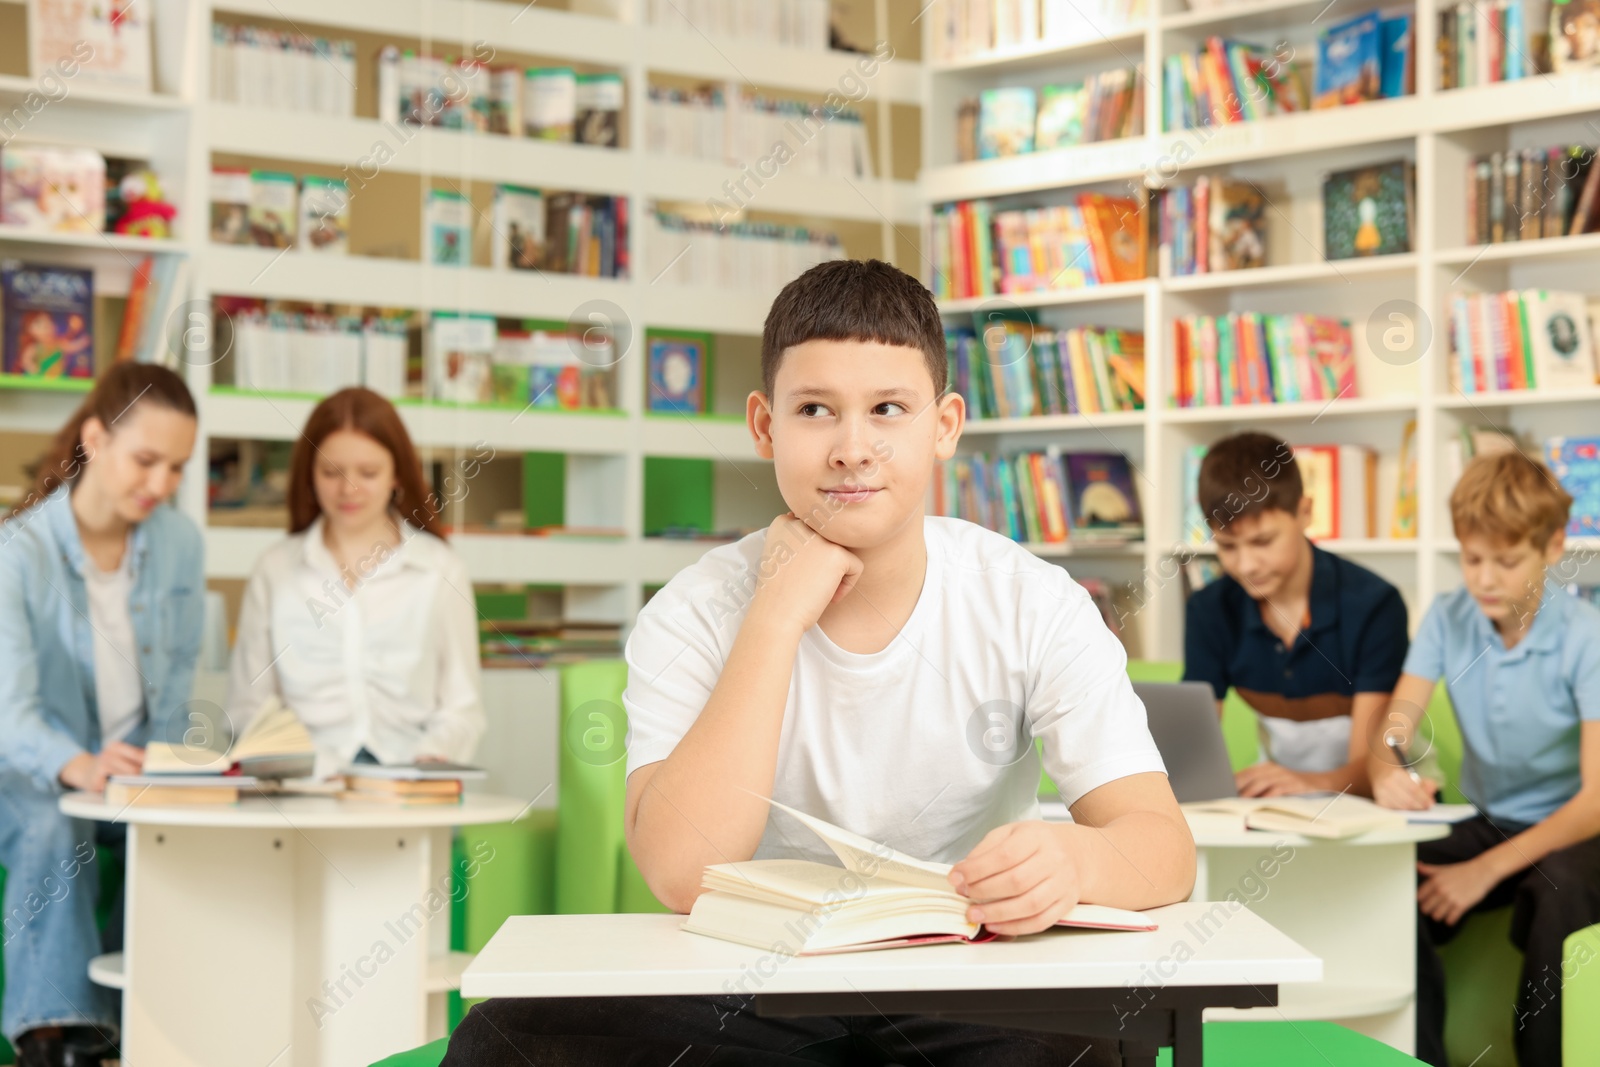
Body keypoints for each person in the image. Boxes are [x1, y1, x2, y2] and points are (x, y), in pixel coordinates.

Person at [443, 259, 1195, 1065]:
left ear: (943, 426)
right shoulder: (692, 609)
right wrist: (774, 615)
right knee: (506, 1040)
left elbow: (1164, 847)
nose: (851, 448)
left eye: (887, 410)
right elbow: (682, 872)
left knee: (1099, 1048)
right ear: (764, 424)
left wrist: (1075, 860)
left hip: (968, 975)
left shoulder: (1032, 599)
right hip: (748, 984)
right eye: (815, 410)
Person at [0, 363, 202, 1067]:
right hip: (34, 773)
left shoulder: (179, 543)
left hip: (130, 770)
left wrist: (170, 766)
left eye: (177, 466)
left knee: (179, 826)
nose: (162, 483)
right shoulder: (18, 552)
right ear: (95, 437)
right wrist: (80, 763)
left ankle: (146, 1021)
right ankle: (57, 1040)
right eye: (147, 459)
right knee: (55, 816)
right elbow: (10, 714)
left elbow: (175, 690)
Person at [1369, 451, 1600, 1067]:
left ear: (1553, 547)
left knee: (1565, 894)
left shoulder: (1586, 637)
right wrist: (1387, 768)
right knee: (1381, 871)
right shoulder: (1447, 618)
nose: (1486, 580)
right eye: (1472, 559)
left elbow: (1595, 803)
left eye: (1507, 560)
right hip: (1489, 817)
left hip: (1576, 828)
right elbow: (1395, 725)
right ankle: (1415, 1057)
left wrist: (1485, 871)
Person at [225, 387, 483, 770]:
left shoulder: (440, 569)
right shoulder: (276, 569)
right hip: (305, 783)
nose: (348, 489)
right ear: (309, 474)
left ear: (397, 474)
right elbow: (249, 706)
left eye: (369, 472)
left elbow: (462, 708)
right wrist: (297, 762)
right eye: (331, 472)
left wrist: (429, 760)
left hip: (410, 781)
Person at [1183, 432, 1409, 797]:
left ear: (1305, 513)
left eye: (1263, 541)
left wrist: (1307, 784)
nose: (1246, 565)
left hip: (1372, 808)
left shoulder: (1374, 606)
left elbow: (1374, 770)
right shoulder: (1209, 610)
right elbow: (1191, 754)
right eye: (1227, 546)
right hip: (1278, 807)